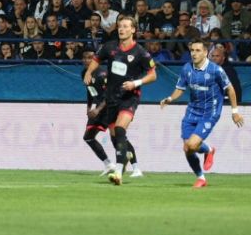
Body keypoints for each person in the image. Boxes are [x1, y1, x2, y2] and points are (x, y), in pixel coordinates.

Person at [160, 39, 244, 188]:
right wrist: (170, 98)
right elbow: (180, 88)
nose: (194, 53)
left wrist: (235, 111)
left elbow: (230, 89)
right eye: (192, 50)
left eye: (198, 50)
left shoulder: (215, 70)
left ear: (205, 53)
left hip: (210, 113)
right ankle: (201, 177)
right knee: (187, 148)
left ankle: (208, 150)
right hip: (192, 111)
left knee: (192, 145)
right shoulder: (187, 68)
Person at [84, 16, 157, 185]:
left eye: (125, 26)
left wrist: (135, 83)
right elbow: (96, 59)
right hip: (111, 98)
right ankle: (125, 156)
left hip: (129, 97)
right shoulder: (110, 47)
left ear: (133, 30)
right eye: (120, 26)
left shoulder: (140, 52)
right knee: (115, 137)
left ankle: (118, 171)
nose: (121, 29)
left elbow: (153, 75)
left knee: (119, 128)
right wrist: (88, 72)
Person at [81, 50, 141, 177]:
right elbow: (90, 90)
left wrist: (97, 110)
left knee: (117, 137)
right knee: (88, 137)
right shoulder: (85, 74)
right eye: (85, 58)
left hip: (108, 107)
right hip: (98, 108)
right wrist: (89, 107)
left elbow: (108, 95)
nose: (87, 60)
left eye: (90, 57)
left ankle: (136, 168)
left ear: (95, 59)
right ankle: (109, 164)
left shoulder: (102, 74)